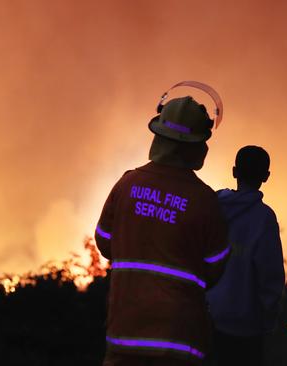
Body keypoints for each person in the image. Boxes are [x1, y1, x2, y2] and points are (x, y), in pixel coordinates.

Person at [95, 84, 230, 366]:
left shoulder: (127, 184)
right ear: (197, 145)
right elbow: (216, 269)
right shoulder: (205, 201)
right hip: (179, 342)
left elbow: (105, 241)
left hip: (125, 335)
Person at [206, 146, 285, 366]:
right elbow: (271, 277)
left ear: (234, 171)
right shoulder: (265, 218)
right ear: (266, 176)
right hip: (246, 331)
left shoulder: (212, 205)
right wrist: (268, 321)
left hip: (205, 320)